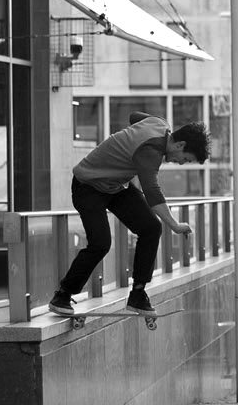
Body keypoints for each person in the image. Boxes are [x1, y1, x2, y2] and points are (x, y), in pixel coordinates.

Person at [48, 111, 208, 318]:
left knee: (151, 228)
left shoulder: (159, 123)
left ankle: (138, 294)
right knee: (100, 243)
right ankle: (62, 294)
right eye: (185, 159)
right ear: (180, 144)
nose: (180, 163)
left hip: (114, 186)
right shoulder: (150, 152)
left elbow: (133, 116)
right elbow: (152, 192)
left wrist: (122, 145)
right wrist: (175, 225)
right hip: (87, 186)